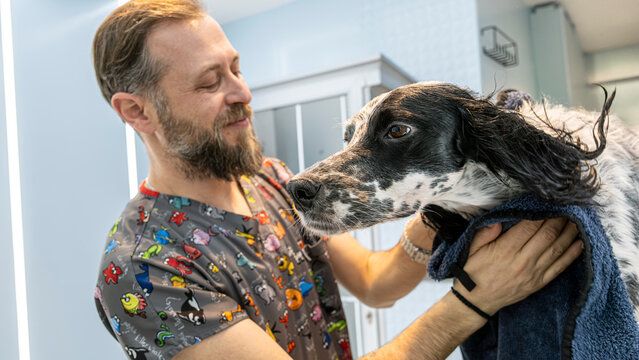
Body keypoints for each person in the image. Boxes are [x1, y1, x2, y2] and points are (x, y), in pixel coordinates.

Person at [92, 1, 583, 359]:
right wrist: (474, 300)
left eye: (236, 68)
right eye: (209, 81)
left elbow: (374, 283)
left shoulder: (272, 181)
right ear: (137, 111)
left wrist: (440, 193)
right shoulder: (144, 269)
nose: (242, 92)